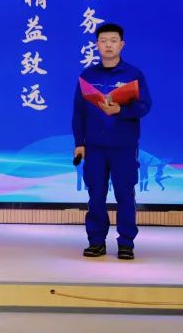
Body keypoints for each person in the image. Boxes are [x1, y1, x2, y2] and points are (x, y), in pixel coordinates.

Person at [72, 22, 152, 260]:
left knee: (125, 194)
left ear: (122, 44)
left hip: (123, 146)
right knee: (96, 195)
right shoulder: (88, 76)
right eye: (103, 41)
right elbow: (79, 112)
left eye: (113, 41)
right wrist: (79, 142)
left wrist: (121, 110)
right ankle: (96, 241)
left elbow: (144, 106)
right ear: (97, 45)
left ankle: (126, 243)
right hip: (95, 147)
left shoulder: (133, 74)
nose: (108, 45)